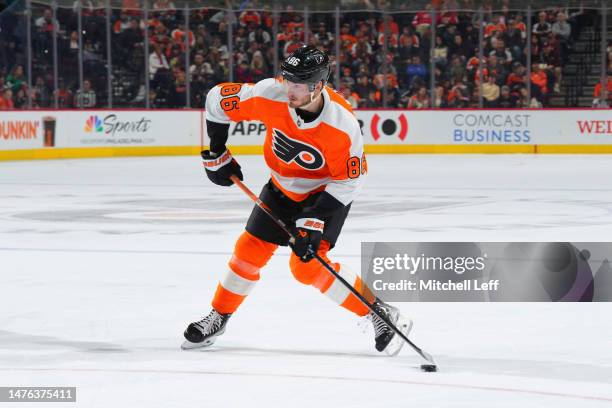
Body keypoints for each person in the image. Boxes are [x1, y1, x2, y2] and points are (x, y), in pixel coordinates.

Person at [182, 46, 411, 356]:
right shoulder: (270, 94)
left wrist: (313, 221)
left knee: (306, 268)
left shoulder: (341, 125)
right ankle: (219, 316)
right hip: (280, 187)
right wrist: (217, 151)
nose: (289, 89)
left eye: (298, 84)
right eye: (287, 80)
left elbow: (350, 181)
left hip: (324, 195)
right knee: (248, 251)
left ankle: (378, 313)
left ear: (318, 86)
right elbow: (216, 100)